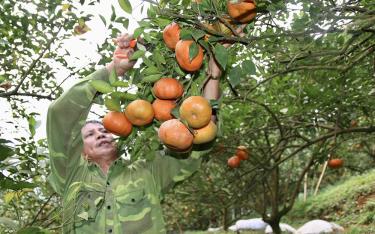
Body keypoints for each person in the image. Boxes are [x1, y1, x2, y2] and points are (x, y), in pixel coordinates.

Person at [46, 34, 221, 234]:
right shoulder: (70, 175)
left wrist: (212, 74)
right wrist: (114, 69)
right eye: (90, 135)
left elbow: (198, 137)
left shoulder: (147, 173)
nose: (100, 135)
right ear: (80, 150)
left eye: (103, 130)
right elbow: (60, 113)